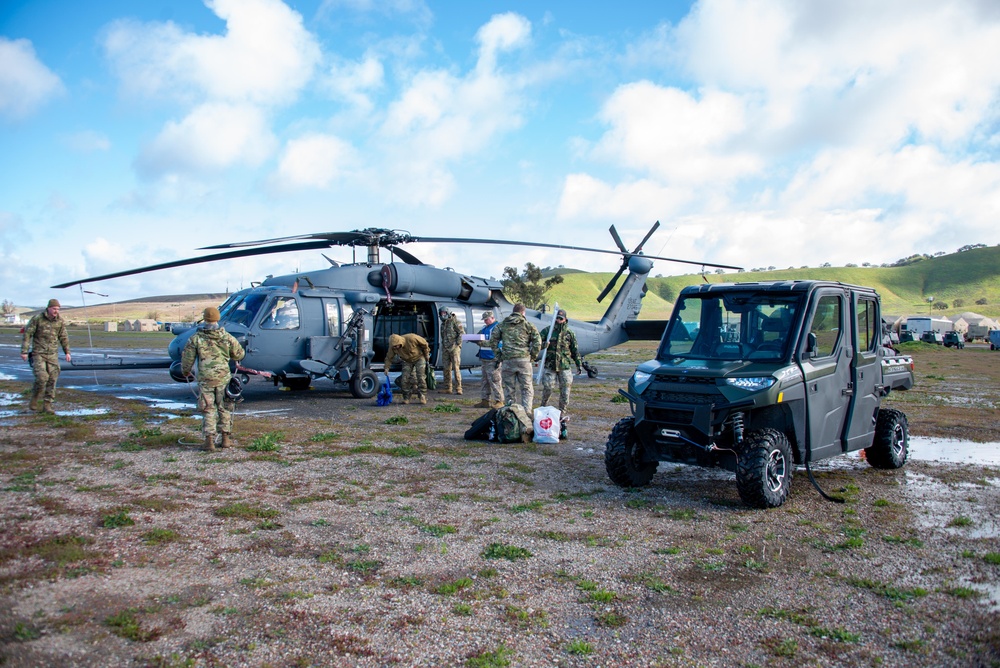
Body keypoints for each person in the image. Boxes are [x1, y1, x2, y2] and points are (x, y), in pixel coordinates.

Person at [181, 307, 246, 451]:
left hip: (206, 379)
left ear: (204, 319)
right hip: (223, 378)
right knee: (224, 408)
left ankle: (209, 441)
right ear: (218, 319)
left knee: (208, 409)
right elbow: (239, 354)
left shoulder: (196, 339)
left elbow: (187, 359)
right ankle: (226, 439)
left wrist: (185, 372)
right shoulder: (227, 337)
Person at [21, 298, 71, 413]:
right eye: (54, 308)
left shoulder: (60, 321)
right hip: (39, 353)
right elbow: (28, 335)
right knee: (42, 378)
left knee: (52, 379)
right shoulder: (37, 319)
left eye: (58, 309)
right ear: (48, 308)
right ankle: (35, 397)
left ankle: (47, 405)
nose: (56, 311)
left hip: (52, 354)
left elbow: (63, 337)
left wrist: (67, 352)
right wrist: (24, 351)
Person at [490, 303, 541, 415]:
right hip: (524, 360)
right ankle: (527, 413)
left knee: (509, 389)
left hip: (508, 361)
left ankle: (512, 414)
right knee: (526, 388)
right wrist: (532, 356)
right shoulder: (528, 325)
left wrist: (499, 355)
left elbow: (493, 341)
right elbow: (538, 342)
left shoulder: (502, 325)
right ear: (523, 312)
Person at [538, 308, 583, 414]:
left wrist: (578, 364)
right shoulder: (548, 331)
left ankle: (562, 412)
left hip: (564, 366)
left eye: (561, 318)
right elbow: (537, 343)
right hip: (550, 365)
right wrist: (544, 345)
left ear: (565, 319)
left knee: (565, 391)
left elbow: (575, 350)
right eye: (557, 318)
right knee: (548, 388)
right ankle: (543, 407)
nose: (558, 320)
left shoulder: (569, 334)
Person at [385, 333, 431, 404]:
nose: (396, 347)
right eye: (394, 346)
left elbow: (424, 343)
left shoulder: (411, 338)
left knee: (421, 377)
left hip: (419, 358)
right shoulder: (393, 347)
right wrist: (386, 368)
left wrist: (426, 354)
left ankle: (422, 395)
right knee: (404, 379)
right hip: (407, 360)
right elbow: (389, 357)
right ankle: (406, 397)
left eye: (397, 345)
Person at [475, 311, 504, 409]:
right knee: (484, 380)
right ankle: (485, 400)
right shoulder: (485, 328)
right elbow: (478, 337)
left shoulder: (498, 328)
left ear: (492, 318)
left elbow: (496, 342)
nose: (485, 321)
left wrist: (482, 343)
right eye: (484, 320)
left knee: (495, 380)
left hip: (493, 358)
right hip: (484, 357)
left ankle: (499, 400)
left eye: (486, 319)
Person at [438, 307, 465, 395]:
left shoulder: (456, 322)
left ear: (448, 313)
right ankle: (448, 387)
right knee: (446, 368)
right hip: (445, 348)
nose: (443, 315)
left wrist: (456, 344)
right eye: (441, 313)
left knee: (456, 368)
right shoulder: (443, 324)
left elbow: (461, 334)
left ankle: (458, 388)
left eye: (444, 313)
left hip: (454, 348)